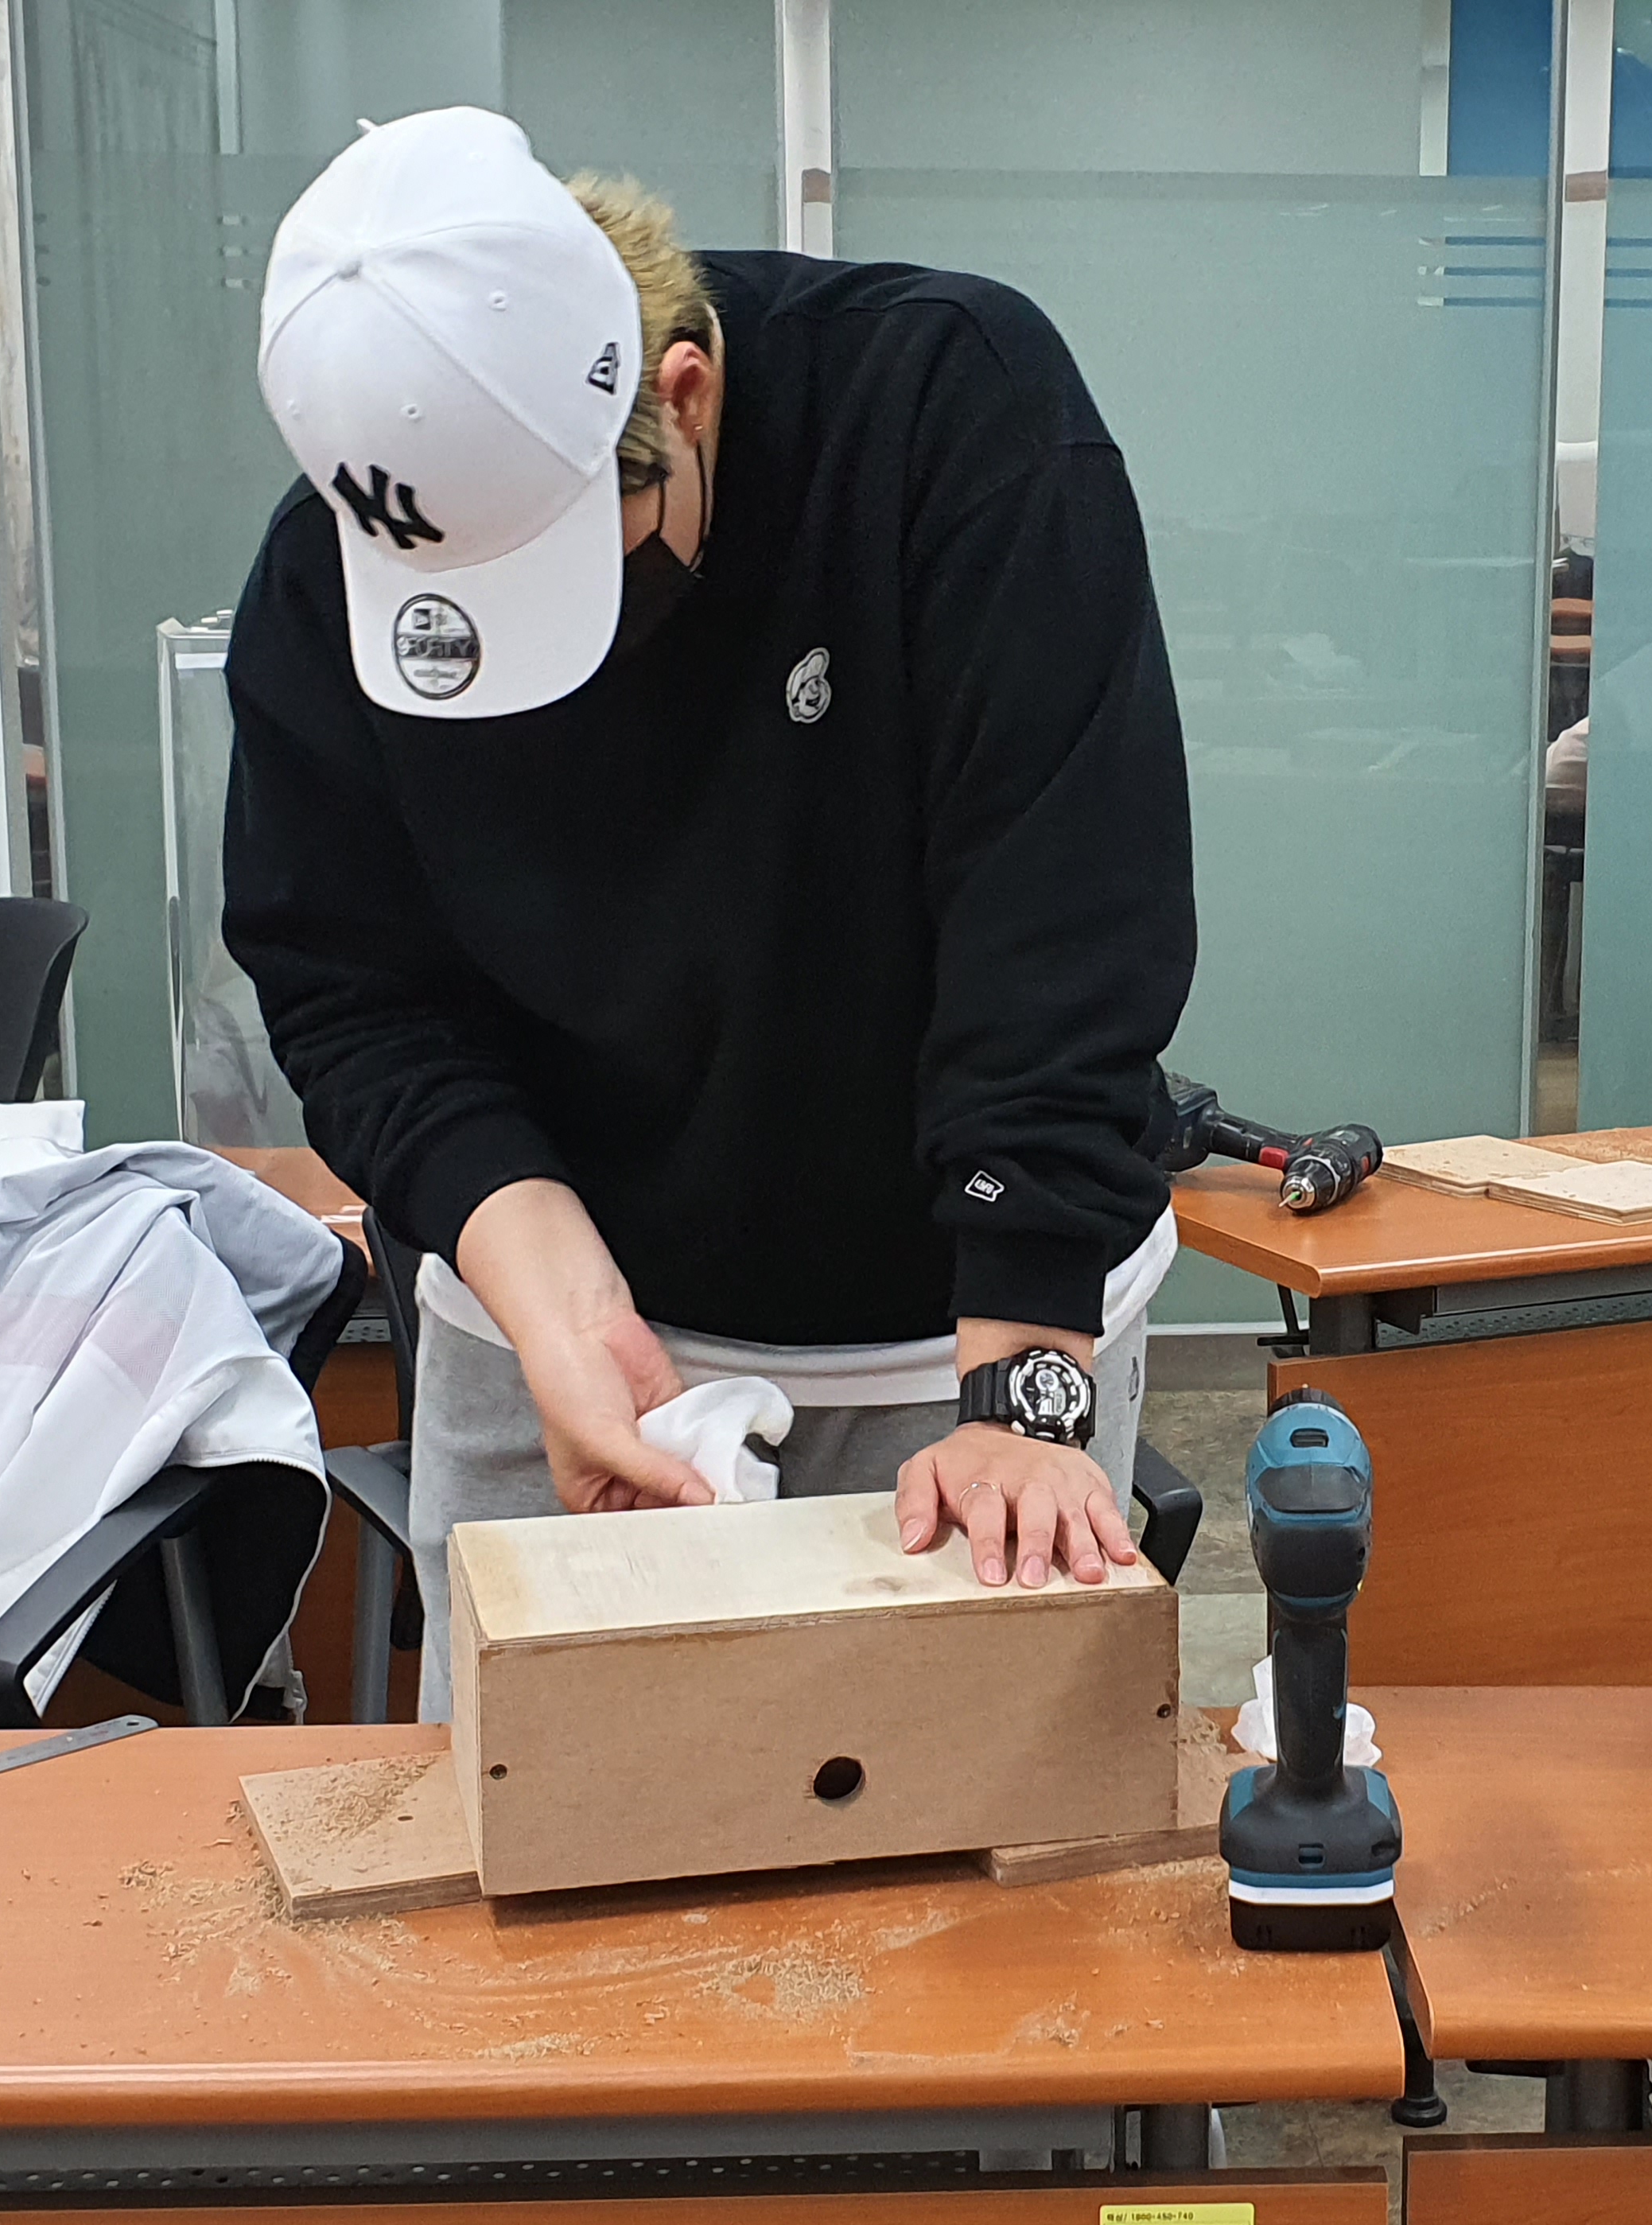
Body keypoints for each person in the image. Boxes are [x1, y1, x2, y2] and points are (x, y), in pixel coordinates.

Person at [220, 109, 1195, 1717]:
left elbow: (1062, 913)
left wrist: (1023, 1390)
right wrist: (550, 1291)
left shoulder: (949, 412)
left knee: (962, 1821)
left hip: (949, 1323)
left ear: (679, 395)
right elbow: (349, 986)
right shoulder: (331, 570)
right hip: (557, 1328)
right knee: (533, 1810)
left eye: (568, 577)